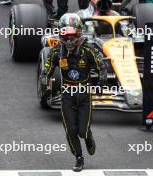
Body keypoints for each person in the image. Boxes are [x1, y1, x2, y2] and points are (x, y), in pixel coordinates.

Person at [43, 13, 106, 172]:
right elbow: (46, 72)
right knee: (70, 130)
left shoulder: (89, 50)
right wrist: (46, 86)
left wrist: (100, 83)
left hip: (85, 94)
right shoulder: (56, 52)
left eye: (73, 37)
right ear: (61, 35)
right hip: (67, 95)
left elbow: (102, 68)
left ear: (79, 34)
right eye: (66, 37)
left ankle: (88, 137)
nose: (69, 41)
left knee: (82, 131)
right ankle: (79, 157)